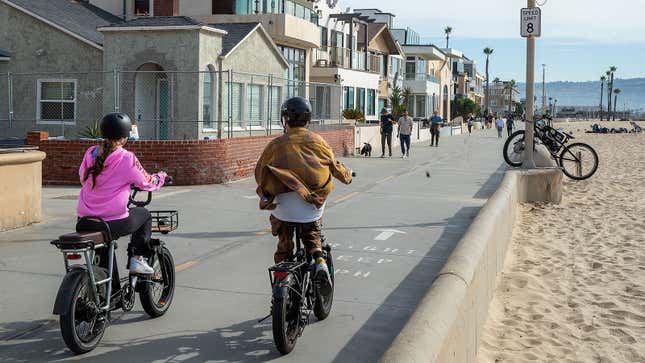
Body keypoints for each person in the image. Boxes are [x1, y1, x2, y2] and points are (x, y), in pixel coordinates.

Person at [255, 96, 353, 291]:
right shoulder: (318, 142)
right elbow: (336, 169)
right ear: (308, 119)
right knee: (312, 233)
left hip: (283, 209)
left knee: (284, 241)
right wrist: (348, 176)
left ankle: (280, 281)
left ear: (285, 119)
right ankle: (318, 257)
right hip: (311, 208)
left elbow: (260, 174)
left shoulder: (275, 144)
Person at [76, 113, 167, 275]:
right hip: (112, 222)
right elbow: (146, 182)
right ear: (124, 137)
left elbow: (83, 179)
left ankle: (109, 289)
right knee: (144, 215)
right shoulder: (126, 158)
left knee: (103, 248)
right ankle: (137, 259)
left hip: (84, 221)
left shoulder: (90, 153)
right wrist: (161, 177)